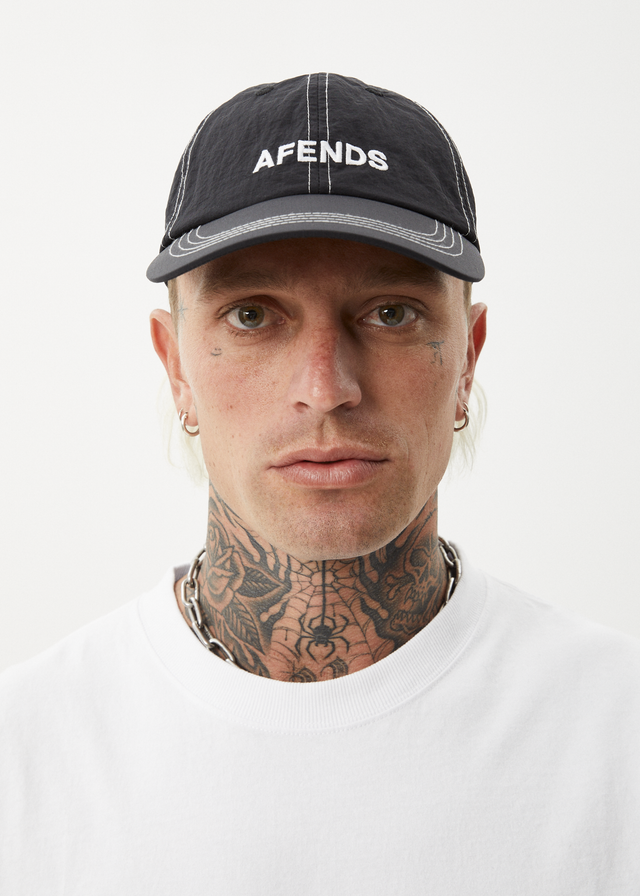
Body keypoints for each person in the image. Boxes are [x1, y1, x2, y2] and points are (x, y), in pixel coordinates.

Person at [1, 73, 639, 895]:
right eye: (253, 315)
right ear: (176, 367)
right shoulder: (29, 754)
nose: (326, 387)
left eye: (392, 312)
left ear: (468, 357)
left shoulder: (615, 730)